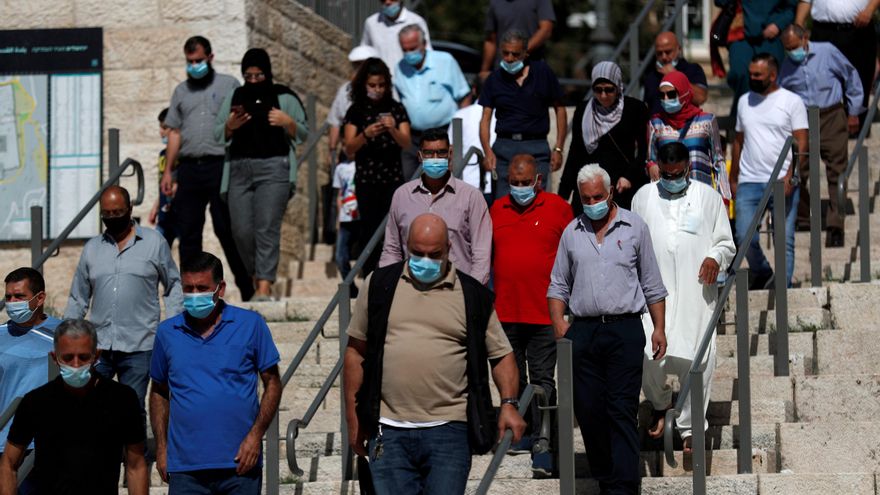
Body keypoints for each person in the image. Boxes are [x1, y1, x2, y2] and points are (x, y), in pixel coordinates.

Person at [343, 213, 526, 494]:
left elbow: (501, 355)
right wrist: (354, 419)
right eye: (417, 253)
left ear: (449, 249)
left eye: (434, 254)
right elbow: (356, 354)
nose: (425, 260)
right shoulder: (380, 285)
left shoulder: (471, 294)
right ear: (406, 246)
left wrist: (509, 404)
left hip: (449, 431)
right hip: (389, 431)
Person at [548, 163, 667, 495]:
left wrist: (659, 328)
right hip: (583, 331)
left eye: (598, 196)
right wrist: (559, 323)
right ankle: (604, 474)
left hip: (624, 328)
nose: (592, 203)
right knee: (587, 409)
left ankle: (623, 487)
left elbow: (652, 284)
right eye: (586, 198)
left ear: (611, 191)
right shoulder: (572, 232)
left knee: (621, 408)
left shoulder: (634, 227)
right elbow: (558, 284)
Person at [631, 142, 735, 454]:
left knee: (697, 357)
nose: (672, 180)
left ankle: (692, 431)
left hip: (695, 293)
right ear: (657, 169)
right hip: (654, 293)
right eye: (666, 174)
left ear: (688, 169)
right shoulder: (643, 197)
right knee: (650, 356)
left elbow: (725, 243)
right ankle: (661, 405)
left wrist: (715, 258)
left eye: (678, 174)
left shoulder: (708, 197)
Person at [149, 252, 282, 493]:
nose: (195, 295)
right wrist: (161, 448)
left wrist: (255, 437)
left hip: (240, 464)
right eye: (188, 288)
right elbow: (158, 391)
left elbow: (272, 382)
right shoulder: (167, 332)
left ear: (220, 288)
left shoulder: (251, 325)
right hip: (185, 469)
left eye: (202, 288)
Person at [64, 185, 183, 438]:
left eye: (117, 212)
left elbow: (173, 284)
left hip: (140, 344)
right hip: (98, 346)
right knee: (93, 407)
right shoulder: (92, 249)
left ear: (129, 210)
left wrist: (174, 327)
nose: (112, 217)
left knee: (132, 407)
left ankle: (135, 466)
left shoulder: (154, 242)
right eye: (106, 214)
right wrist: (68, 337)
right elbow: (79, 296)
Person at [489, 154, 572, 476]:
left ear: (539, 179)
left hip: (544, 314)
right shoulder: (496, 209)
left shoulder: (557, 208)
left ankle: (544, 442)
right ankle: (520, 433)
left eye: (526, 183)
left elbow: (572, 253)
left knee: (541, 381)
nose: (520, 188)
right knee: (513, 380)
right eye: (515, 183)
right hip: (506, 313)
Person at [0, 319, 148, 495]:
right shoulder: (36, 402)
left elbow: (136, 465)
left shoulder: (121, 399)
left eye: (84, 357)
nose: (76, 365)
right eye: (68, 357)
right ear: (55, 358)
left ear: (97, 356)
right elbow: (9, 462)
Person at [160, 35, 254, 301]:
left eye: (199, 60)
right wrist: (169, 170)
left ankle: (248, 289)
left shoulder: (229, 85)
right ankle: (191, 293)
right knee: (188, 232)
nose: (194, 65)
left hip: (220, 164)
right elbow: (175, 132)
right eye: (190, 61)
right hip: (189, 168)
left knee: (227, 228)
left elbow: (241, 122)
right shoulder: (181, 91)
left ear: (210, 58)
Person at [215, 48, 308, 301]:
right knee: (241, 231)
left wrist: (287, 122)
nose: (254, 80)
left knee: (266, 227)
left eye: (259, 75)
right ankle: (257, 276)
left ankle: (265, 286)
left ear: (268, 73)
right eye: (249, 75)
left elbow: (303, 132)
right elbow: (216, 133)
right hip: (239, 169)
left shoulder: (284, 96)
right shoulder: (236, 95)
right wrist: (229, 127)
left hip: (273, 167)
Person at [779, 24, 864, 247]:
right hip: (802, 121)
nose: (792, 52)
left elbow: (851, 76)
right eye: (787, 48)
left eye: (795, 47)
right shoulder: (786, 65)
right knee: (799, 169)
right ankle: (804, 216)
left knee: (837, 170)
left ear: (805, 38)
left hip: (831, 115)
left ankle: (836, 225)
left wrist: (854, 111)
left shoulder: (827, 51)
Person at [731, 53, 808, 289]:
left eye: (758, 74)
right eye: (751, 73)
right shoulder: (744, 101)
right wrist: (733, 175)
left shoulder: (792, 101)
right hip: (749, 180)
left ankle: (783, 289)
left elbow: (802, 142)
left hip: (782, 180)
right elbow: (738, 140)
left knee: (783, 237)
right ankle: (762, 271)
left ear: (773, 75)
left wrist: (791, 175)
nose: (752, 78)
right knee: (744, 236)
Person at [379, 128, 493, 285]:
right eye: (429, 153)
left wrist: (471, 294)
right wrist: (388, 285)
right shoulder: (402, 196)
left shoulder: (471, 197)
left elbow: (481, 254)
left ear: (450, 154)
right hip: (410, 289)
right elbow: (392, 249)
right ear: (419, 156)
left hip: (455, 291)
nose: (435, 158)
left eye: (441, 152)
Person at [343, 57, 411, 276]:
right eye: (372, 85)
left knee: (394, 229)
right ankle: (370, 272)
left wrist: (392, 129)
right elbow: (349, 147)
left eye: (381, 85)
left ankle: (394, 271)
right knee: (370, 229)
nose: (377, 90)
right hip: (367, 180)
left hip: (392, 179)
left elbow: (407, 142)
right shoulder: (357, 111)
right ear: (364, 85)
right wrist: (366, 134)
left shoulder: (396, 108)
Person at [479, 29, 567, 198]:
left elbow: (560, 109)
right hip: (504, 148)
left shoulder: (542, 72)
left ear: (526, 53)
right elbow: (485, 119)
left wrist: (558, 148)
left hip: (537, 147)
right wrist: (487, 151)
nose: (510, 58)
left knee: (538, 200)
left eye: (515, 54)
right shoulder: (494, 79)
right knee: (503, 201)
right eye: (505, 53)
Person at [558, 62, 649, 215]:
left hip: (622, 188)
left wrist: (629, 176)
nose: (603, 95)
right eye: (598, 90)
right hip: (590, 188)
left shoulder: (635, 109)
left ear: (619, 87)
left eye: (609, 90)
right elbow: (575, 153)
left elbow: (642, 150)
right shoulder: (583, 111)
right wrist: (562, 196)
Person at [394, 24, 472, 181]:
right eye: (405, 50)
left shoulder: (445, 61)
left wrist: (459, 136)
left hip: (443, 134)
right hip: (413, 137)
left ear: (423, 43)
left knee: (441, 180)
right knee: (410, 182)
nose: (409, 53)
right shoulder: (400, 67)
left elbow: (464, 97)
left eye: (413, 48)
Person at [0, 268, 61, 457]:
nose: (12, 303)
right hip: (5, 441)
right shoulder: (0, 334)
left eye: (19, 296)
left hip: (49, 441)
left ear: (40, 298)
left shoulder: (65, 333)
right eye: (8, 297)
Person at [646, 71, 731, 203]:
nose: (666, 99)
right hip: (667, 199)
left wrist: (724, 199)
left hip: (701, 197)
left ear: (684, 92)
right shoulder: (656, 123)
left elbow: (718, 162)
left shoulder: (706, 121)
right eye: (662, 95)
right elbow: (651, 159)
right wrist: (651, 165)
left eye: (672, 94)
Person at [796, 0, 878, 134]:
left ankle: (857, 131)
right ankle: (822, 130)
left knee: (860, 77)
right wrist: (798, 25)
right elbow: (804, 1)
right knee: (819, 80)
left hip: (858, 29)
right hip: (823, 31)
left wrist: (869, 10)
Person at [714, 0, 797, 119]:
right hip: (740, 33)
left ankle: (772, 121)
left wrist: (778, 24)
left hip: (771, 36)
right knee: (739, 73)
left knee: (770, 79)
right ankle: (741, 121)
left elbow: (790, 8)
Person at [328, 45, 380, 166]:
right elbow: (335, 122)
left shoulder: (384, 91)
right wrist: (332, 151)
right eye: (356, 65)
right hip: (349, 159)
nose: (359, 69)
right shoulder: (345, 90)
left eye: (363, 65)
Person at [447, 78, 496, 201]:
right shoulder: (504, 114)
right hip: (495, 183)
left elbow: (449, 150)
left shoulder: (461, 115)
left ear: (474, 90)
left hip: (465, 182)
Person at [479, 0, 556, 79]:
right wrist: (484, 71)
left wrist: (520, 52)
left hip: (531, 70)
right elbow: (491, 41)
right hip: (501, 71)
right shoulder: (495, 2)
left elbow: (545, 30)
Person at [642, 31, 709, 114]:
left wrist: (675, 76)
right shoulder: (651, 74)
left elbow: (701, 98)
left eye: (668, 52)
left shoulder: (692, 69)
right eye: (659, 53)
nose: (664, 57)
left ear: (679, 49)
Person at [361, 0, 432, 72]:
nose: (387, 2)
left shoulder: (416, 21)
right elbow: (364, 54)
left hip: (408, 78)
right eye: (383, 0)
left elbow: (427, 53)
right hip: (382, 80)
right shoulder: (371, 23)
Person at [148, 108, 177, 247]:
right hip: (164, 215)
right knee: (157, 251)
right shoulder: (162, 154)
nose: (161, 132)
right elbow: (162, 185)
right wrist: (155, 206)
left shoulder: (184, 154)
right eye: (160, 127)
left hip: (180, 213)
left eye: (164, 128)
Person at [333, 153, 360, 295]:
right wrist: (339, 218)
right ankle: (350, 287)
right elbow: (339, 194)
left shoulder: (363, 164)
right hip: (346, 217)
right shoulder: (340, 168)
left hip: (362, 216)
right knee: (340, 256)